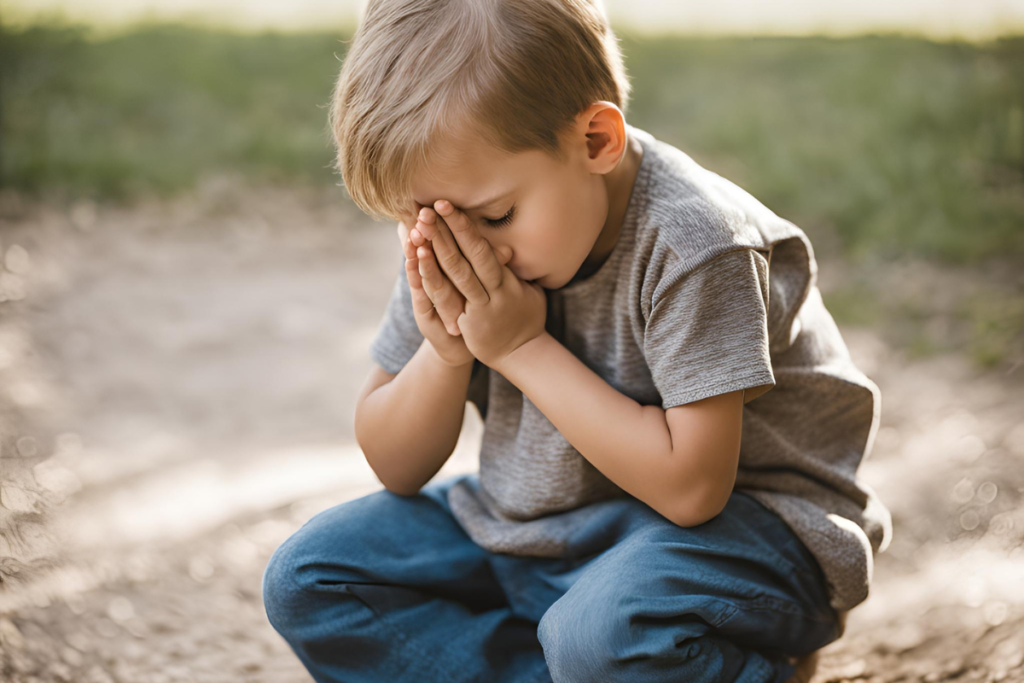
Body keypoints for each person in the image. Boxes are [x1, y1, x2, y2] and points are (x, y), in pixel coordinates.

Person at [262, 0, 892, 681]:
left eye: (497, 215)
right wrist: (448, 353)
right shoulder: (469, 235)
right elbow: (397, 465)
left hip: (741, 541)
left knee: (606, 632)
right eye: (435, 222)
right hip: (542, 537)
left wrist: (518, 348)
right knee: (311, 576)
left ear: (596, 141)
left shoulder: (697, 243)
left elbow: (692, 491)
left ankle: (729, 665)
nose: (477, 252)